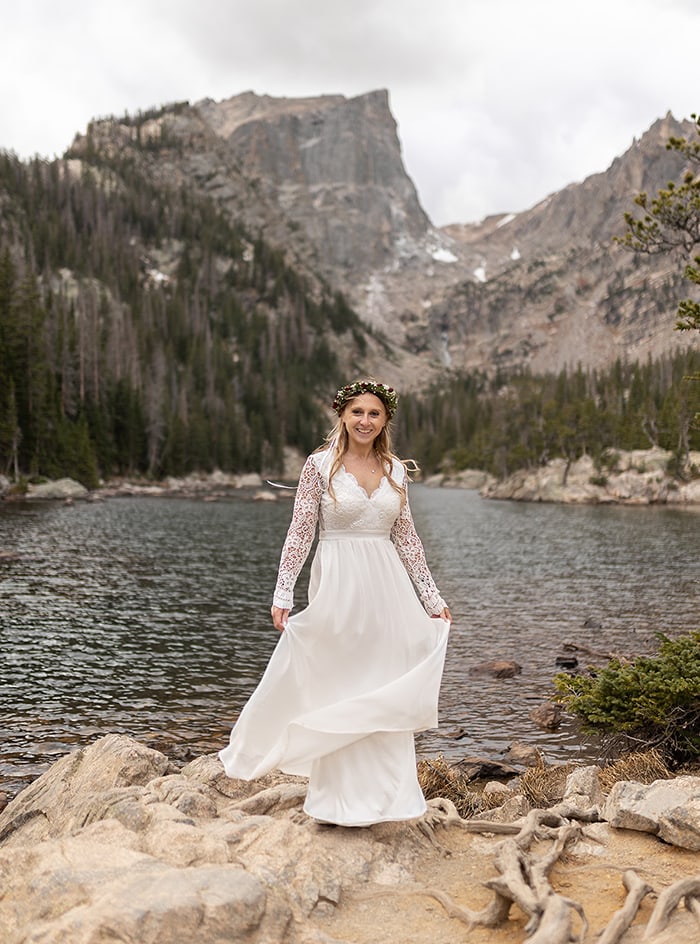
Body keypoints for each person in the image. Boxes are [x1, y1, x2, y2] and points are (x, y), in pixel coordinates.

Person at [219, 379, 452, 826]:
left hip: (388, 590)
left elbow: (407, 539)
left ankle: (390, 797)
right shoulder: (319, 466)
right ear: (342, 416)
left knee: (383, 679)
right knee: (343, 681)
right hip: (339, 585)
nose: (365, 421)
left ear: (385, 420)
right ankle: (336, 799)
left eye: (375, 414)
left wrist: (431, 598)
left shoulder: (396, 471)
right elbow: (300, 531)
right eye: (358, 412)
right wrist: (283, 589)